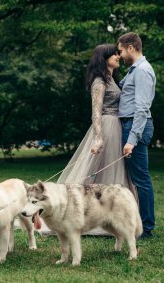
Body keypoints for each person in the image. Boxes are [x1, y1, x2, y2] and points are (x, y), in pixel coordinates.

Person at [57, 43, 135, 192]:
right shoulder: (99, 82)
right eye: (114, 54)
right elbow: (96, 112)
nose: (118, 56)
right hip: (107, 125)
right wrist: (98, 138)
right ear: (104, 58)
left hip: (116, 125)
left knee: (112, 166)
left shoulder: (112, 80)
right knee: (102, 166)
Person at [117, 32, 156, 239]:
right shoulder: (133, 71)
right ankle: (139, 223)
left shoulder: (142, 71)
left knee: (141, 180)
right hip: (131, 124)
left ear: (131, 48)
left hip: (136, 125)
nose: (120, 55)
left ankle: (147, 228)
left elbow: (142, 108)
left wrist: (131, 140)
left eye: (121, 50)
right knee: (138, 178)